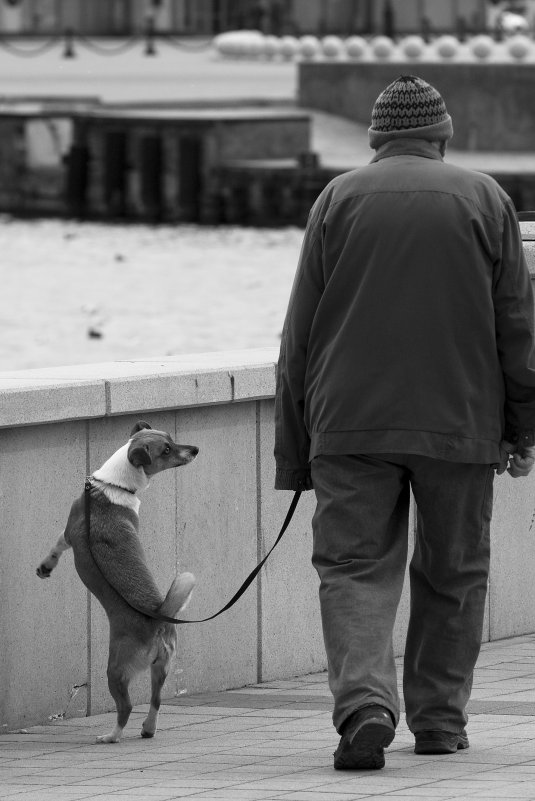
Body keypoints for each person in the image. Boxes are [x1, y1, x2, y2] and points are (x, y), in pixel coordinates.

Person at [274, 75, 535, 770]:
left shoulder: (336, 200)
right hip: (458, 420)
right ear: (443, 135)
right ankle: (439, 720)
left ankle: (364, 705)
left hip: (348, 421)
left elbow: (298, 336)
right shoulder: (485, 199)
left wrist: (294, 449)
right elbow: (518, 328)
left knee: (353, 566)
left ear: (375, 140)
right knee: (454, 570)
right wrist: (523, 428)